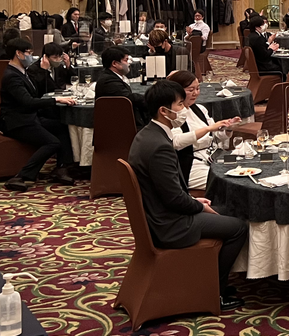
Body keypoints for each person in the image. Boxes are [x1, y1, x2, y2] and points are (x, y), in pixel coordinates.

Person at [129, 80, 248, 311]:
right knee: (238, 227)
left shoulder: (146, 134)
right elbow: (174, 199)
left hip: (158, 214)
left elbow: (169, 191)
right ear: (164, 111)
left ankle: (211, 281)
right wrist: (198, 206)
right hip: (169, 224)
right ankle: (215, 292)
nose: (184, 109)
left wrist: (194, 200)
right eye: (180, 105)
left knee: (228, 210)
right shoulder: (160, 146)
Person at [0, 39, 78, 192]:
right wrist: (56, 100)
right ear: (18, 53)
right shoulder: (12, 76)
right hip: (17, 122)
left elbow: (36, 93)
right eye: (29, 53)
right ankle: (21, 176)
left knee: (62, 126)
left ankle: (61, 168)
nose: (32, 56)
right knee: (52, 143)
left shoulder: (22, 71)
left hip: (29, 116)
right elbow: (28, 101)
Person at [166, 71, 239, 190]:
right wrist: (208, 129)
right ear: (177, 91)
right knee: (228, 183)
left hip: (212, 156)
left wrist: (227, 128)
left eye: (198, 88)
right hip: (191, 165)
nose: (195, 93)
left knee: (241, 172)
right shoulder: (172, 114)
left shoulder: (199, 109)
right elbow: (176, 142)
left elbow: (215, 136)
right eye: (191, 90)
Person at [95, 46, 148, 129]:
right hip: (119, 128)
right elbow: (128, 98)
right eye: (126, 60)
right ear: (115, 63)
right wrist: (151, 99)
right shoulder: (108, 81)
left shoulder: (112, 77)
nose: (129, 63)